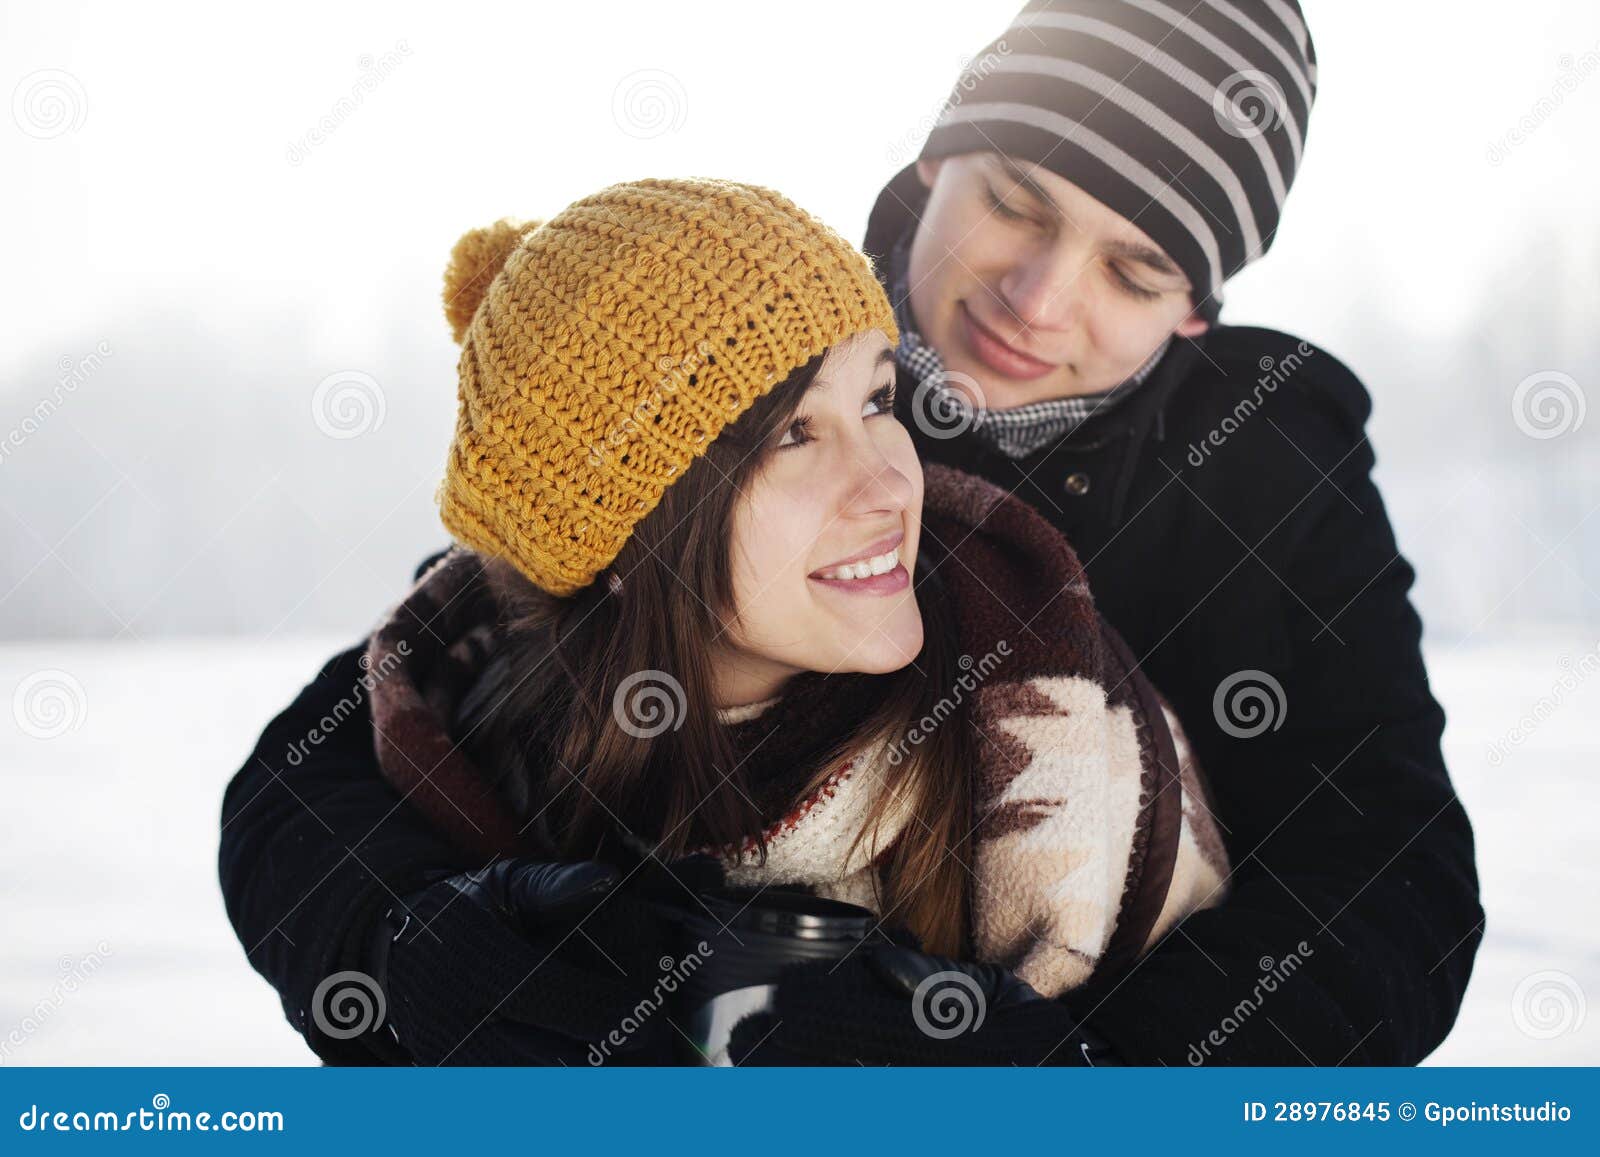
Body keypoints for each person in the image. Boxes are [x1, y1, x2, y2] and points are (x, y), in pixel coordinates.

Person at [220, 0, 1483, 1066]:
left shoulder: (1266, 462)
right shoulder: (765, 319)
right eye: (1017, 200)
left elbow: (1387, 878)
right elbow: (371, 732)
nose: (1037, 300)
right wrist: (463, 959)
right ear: (937, 157)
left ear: (1198, 313)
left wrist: (1066, 1082)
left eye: (1133, 271)